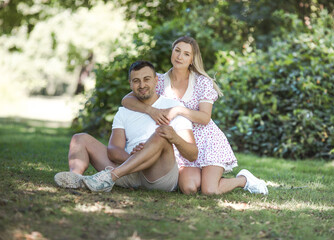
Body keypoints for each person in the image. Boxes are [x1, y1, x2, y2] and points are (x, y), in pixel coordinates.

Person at [121, 36, 268, 195]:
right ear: (172, 52)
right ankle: (200, 179)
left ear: (192, 59)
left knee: (209, 191)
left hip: (207, 142)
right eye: (177, 51)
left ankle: (243, 179)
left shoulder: (202, 82)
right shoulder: (160, 81)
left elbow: (205, 118)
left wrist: (177, 110)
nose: (179, 56)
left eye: (186, 54)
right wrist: (151, 110)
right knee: (189, 188)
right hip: (181, 144)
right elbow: (126, 100)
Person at [54, 60, 198, 192]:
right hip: (129, 170)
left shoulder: (173, 106)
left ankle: (110, 177)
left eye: (146, 79)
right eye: (136, 81)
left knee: (161, 134)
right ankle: (75, 178)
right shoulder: (124, 111)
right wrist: (134, 157)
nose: (142, 85)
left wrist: (174, 138)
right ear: (130, 84)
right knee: (79, 138)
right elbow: (113, 150)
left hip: (159, 175)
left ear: (156, 81)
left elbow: (192, 154)